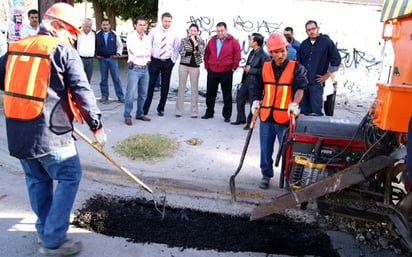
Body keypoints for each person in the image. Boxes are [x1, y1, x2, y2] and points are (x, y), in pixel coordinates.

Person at [0, 2, 106, 256]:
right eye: (70, 31)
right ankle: (54, 239)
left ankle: (44, 231)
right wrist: (97, 127)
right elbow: (82, 91)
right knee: (70, 176)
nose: (72, 37)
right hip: (51, 135)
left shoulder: (15, 48)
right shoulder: (62, 50)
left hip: (18, 134)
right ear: (56, 26)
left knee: (37, 179)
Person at [252, 33, 307, 189]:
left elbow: (300, 88)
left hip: (284, 117)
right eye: (276, 52)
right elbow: (256, 87)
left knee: (287, 152)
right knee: (265, 148)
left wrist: (295, 104)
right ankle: (266, 174)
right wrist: (255, 101)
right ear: (271, 53)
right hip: (266, 116)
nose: (281, 54)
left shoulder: (296, 68)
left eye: (283, 50)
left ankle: (289, 178)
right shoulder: (265, 67)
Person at [297, 20, 341, 116]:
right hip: (303, 84)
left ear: (318, 29)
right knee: (303, 112)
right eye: (309, 30)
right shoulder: (304, 44)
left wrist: (328, 74)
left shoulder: (326, 43)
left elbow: (336, 59)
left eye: (313, 29)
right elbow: (298, 63)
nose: (311, 31)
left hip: (316, 83)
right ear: (306, 32)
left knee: (316, 111)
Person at [202, 22, 241, 122]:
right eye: (218, 31)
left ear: (226, 30)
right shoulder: (212, 41)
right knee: (210, 93)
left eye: (222, 31)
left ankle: (227, 115)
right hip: (213, 71)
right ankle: (209, 112)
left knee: (227, 94)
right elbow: (206, 54)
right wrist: (207, 66)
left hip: (226, 71)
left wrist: (233, 68)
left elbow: (237, 56)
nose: (220, 33)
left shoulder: (233, 41)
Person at [143, 12, 179, 117]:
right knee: (151, 85)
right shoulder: (154, 31)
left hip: (167, 62)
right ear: (161, 20)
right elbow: (148, 44)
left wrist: (173, 61)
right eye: (165, 21)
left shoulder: (174, 33)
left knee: (165, 86)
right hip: (155, 61)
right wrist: (149, 58)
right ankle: (145, 109)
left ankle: (161, 108)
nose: (167, 23)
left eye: (169, 21)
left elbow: (176, 48)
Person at [231, 33, 270, 129]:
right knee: (240, 97)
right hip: (247, 80)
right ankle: (241, 118)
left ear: (256, 42)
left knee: (254, 103)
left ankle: (250, 123)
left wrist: (251, 70)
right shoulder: (252, 52)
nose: (249, 41)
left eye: (251, 40)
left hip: (256, 82)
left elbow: (265, 71)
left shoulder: (264, 55)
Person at [123, 17, 152, 125]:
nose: (142, 27)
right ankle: (127, 115)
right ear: (135, 25)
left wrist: (145, 53)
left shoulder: (147, 38)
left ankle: (140, 113)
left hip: (145, 68)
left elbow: (150, 51)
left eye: (144, 25)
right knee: (130, 93)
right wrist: (146, 52)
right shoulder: (131, 36)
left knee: (143, 93)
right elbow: (134, 51)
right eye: (140, 24)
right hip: (134, 68)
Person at [175, 24, 205, 118]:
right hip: (183, 66)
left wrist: (194, 42)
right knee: (181, 88)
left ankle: (194, 112)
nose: (193, 32)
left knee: (194, 89)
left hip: (195, 67)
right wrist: (192, 52)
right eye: (191, 30)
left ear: (197, 32)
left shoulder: (200, 41)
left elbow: (200, 52)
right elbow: (182, 52)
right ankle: (179, 111)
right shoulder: (184, 40)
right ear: (188, 31)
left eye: (195, 31)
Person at [96, 18, 125, 103]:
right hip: (102, 59)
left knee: (116, 78)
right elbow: (94, 46)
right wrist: (96, 54)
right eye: (103, 25)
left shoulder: (114, 34)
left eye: (106, 25)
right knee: (103, 78)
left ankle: (120, 96)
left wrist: (118, 54)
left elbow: (120, 45)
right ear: (101, 25)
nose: (105, 26)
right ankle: (104, 95)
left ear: (109, 25)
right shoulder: (97, 34)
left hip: (112, 59)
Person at [76, 18, 96, 83]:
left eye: (89, 27)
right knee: (79, 78)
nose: (87, 28)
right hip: (79, 58)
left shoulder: (94, 34)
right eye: (86, 26)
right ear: (82, 25)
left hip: (90, 59)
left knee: (88, 79)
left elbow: (97, 44)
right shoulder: (77, 33)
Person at [146, 21, 161, 92]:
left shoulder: (157, 34)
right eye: (152, 26)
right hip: (146, 55)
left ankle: (157, 85)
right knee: (147, 71)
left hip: (154, 55)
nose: (153, 27)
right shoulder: (145, 34)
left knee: (157, 72)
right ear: (149, 26)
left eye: (154, 26)